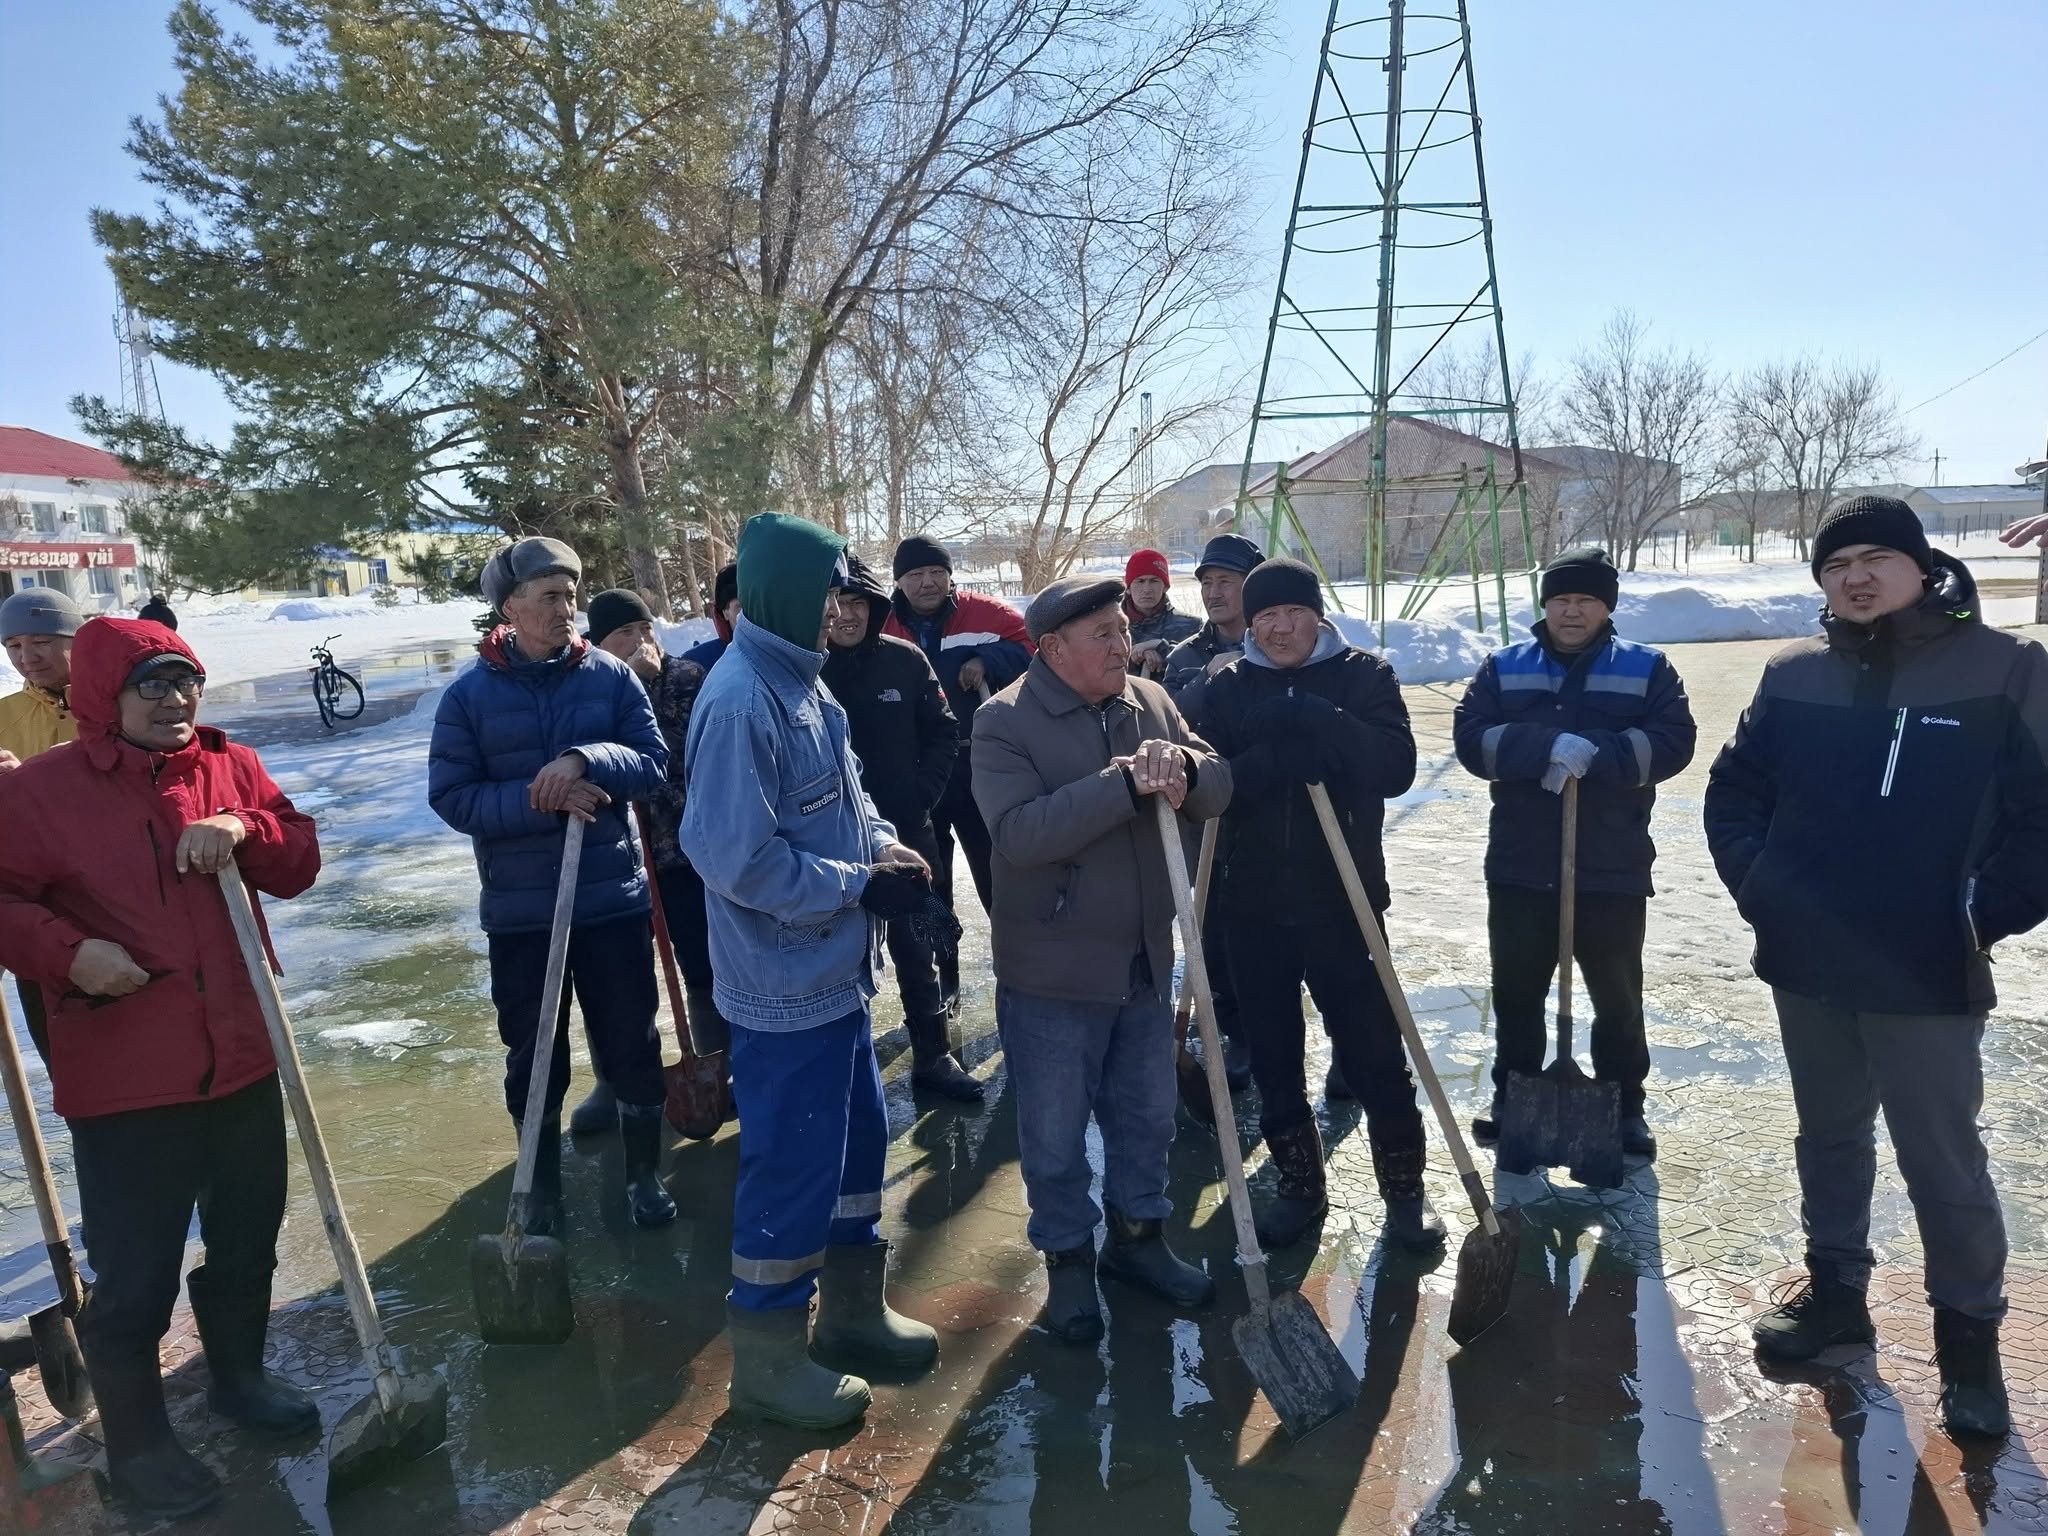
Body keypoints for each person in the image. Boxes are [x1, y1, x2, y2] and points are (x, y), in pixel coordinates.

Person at [1705, 496, 2047, 1443]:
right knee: (1830, 1137)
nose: (1855, 575)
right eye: (1836, 561)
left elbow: (2043, 813)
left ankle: (1969, 1347)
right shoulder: (1793, 676)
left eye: (1876, 557)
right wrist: (1761, 883)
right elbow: (1736, 790)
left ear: (1920, 566)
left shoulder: (2005, 668)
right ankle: (1838, 1299)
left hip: (1928, 965)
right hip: (1809, 958)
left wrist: (1984, 911)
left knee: (1943, 1160)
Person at [0, 619, 320, 1519]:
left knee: (249, 1233)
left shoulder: (230, 764)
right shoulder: (41, 793)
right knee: (136, 1273)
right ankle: (138, 1449)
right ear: (108, 695)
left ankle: (239, 1379)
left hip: (246, 1057)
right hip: (128, 1075)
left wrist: (244, 824)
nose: (176, 700)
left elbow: (296, 859)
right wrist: (69, 953)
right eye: (153, 685)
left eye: (187, 681)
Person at [682, 512, 945, 1431]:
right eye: (832, 590)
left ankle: (853, 1316)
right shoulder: (740, 701)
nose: (845, 607)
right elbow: (735, 858)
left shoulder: (808, 688)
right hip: (782, 986)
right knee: (792, 1166)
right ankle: (765, 1360)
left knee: (857, 1150)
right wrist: (855, 886)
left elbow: (850, 802)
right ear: (790, 593)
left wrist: (887, 848)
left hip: (837, 977)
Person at [972, 575, 1232, 1343]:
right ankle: (1068, 1264)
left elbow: (1218, 785)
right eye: (1103, 636)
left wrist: (1184, 772)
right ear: (1052, 648)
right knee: (1053, 1134)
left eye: (1123, 631)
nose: (1124, 645)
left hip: (1145, 959)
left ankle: (1139, 1243)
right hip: (1054, 969)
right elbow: (1018, 835)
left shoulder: (1150, 703)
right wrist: (1122, 783)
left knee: (1146, 1118)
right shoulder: (1003, 721)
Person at [428, 538, 677, 1233]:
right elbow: (452, 797)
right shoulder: (469, 697)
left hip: (611, 902)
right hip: (521, 913)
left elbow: (652, 764)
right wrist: (541, 799)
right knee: (534, 1048)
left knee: (630, 1040)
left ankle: (644, 1174)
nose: (567, 608)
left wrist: (584, 760)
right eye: (550, 596)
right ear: (510, 608)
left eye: (571, 595)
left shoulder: (610, 679)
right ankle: (536, 1180)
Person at [1199, 558, 1442, 1251]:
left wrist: (1319, 719)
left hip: (1344, 903)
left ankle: (1405, 1193)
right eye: (1266, 615)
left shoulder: (1365, 675)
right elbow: (1208, 788)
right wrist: (1268, 759)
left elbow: (1394, 768)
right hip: (1251, 906)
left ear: (1317, 614)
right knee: (1274, 1057)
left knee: (1373, 1054)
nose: (1280, 628)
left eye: (1293, 613)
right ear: (1250, 621)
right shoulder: (1225, 686)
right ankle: (1301, 1186)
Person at [1452, 547, 1696, 1159]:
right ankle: (1515, 1095)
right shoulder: (1505, 666)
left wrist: (1597, 753)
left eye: (1585, 599)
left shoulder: (1647, 668)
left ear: (1606, 606)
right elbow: (1470, 738)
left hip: (1612, 865)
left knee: (1617, 995)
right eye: (1561, 598)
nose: (1571, 609)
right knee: (1516, 991)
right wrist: (1542, 746)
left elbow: (1675, 741)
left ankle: (1623, 1105)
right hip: (1522, 864)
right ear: (1545, 604)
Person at [822, 554, 981, 1102]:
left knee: (920, 944)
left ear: (875, 606)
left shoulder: (907, 661)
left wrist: (922, 796)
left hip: (908, 828)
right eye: (837, 603)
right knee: (839, 950)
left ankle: (933, 1056)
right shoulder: (805, 668)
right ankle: (845, 1065)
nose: (847, 615)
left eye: (859, 603)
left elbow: (943, 730)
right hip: (833, 840)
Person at [573, 589, 726, 1136]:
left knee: (704, 966)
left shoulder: (687, 680)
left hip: (683, 854)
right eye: (624, 635)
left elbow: (678, 761)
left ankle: (717, 1064)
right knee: (616, 980)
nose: (641, 643)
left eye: (645, 630)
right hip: (615, 859)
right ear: (600, 645)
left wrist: (638, 694)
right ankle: (613, 1080)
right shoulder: (584, 686)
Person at [883, 535, 1033, 1009]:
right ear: (900, 581)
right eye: (914, 575)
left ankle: (1019, 971)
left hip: (978, 766)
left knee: (999, 873)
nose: (927, 583)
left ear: (950, 576)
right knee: (931, 882)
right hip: (918, 775)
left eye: (936, 573)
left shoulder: (986, 615)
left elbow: (1035, 648)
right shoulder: (882, 623)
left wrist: (987, 658)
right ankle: (944, 977)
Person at [1160, 533, 1265, 1099]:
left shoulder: (1279, 640)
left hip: (1270, 813)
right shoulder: (1186, 656)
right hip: (1209, 817)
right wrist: (1215, 675)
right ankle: (1235, 1030)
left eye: (1226, 581)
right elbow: (1173, 720)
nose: (1214, 593)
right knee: (1211, 924)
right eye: (1206, 583)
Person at [0, 586, 87, 1064]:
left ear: (75, 639)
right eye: (14, 646)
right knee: (66, 1062)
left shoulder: (123, 703)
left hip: (117, 901)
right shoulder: (3, 716)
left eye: (42, 641)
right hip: (36, 911)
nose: (27, 657)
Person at [1122, 548, 1200, 679]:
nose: (1147, 589)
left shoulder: (1191, 626)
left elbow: (1199, 665)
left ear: (1165, 586)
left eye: (1154, 581)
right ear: (1128, 588)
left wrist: (1163, 648)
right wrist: (1137, 656)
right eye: (1140, 581)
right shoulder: (1111, 626)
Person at [682, 561, 739, 671]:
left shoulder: (779, 649)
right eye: (740, 607)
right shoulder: (700, 661)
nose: (749, 613)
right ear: (725, 613)